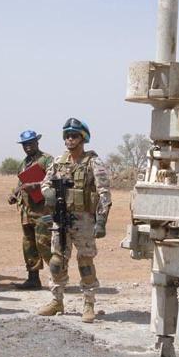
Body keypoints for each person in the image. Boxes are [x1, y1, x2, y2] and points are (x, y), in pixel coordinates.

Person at [37, 118, 111, 323]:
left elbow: (104, 193)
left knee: (85, 262)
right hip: (61, 219)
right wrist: (48, 192)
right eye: (67, 136)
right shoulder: (58, 161)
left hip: (84, 220)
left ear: (83, 138)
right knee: (56, 261)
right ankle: (56, 300)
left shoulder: (93, 162)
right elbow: (45, 183)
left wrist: (101, 221)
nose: (70, 139)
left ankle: (88, 303)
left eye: (74, 136)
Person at [8, 130, 53, 290]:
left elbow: (55, 180)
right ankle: (33, 279)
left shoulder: (47, 159)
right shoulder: (24, 163)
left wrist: (36, 185)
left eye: (30, 143)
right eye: (24, 144)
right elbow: (21, 183)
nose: (27, 147)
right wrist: (14, 194)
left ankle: (59, 277)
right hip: (27, 212)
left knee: (44, 243)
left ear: (37, 142)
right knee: (29, 245)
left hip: (43, 211)